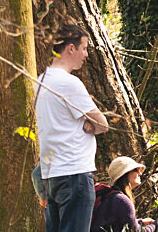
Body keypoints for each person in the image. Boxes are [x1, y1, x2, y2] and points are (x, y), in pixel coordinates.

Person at [37, 24, 111, 232]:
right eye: (84, 48)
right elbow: (103, 124)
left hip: (50, 175)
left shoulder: (40, 81)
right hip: (74, 173)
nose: (86, 55)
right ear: (71, 48)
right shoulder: (69, 83)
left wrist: (90, 123)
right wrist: (91, 125)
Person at [90, 156, 158, 232]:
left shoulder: (108, 195)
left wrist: (140, 221)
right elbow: (136, 231)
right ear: (125, 174)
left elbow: (113, 223)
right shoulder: (121, 200)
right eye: (136, 170)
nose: (140, 174)